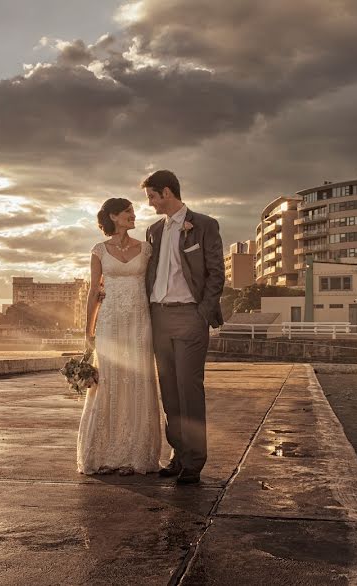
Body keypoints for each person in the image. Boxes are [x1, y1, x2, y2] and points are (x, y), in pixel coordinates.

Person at [142, 170, 224, 485]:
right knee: (170, 393)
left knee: (189, 390)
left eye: (151, 196)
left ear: (166, 192)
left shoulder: (204, 224)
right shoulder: (153, 231)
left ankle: (194, 461)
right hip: (158, 317)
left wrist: (202, 313)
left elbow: (216, 273)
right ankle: (178, 455)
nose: (149, 203)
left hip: (190, 316)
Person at [76, 198, 167, 475]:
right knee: (110, 382)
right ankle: (104, 454)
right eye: (128, 211)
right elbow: (94, 291)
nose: (133, 215)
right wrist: (88, 330)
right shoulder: (99, 251)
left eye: (132, 211)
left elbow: (155, 283)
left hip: (140, 321)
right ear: (113, 216)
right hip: (110, 322)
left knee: (139, 381)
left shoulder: (147, 248)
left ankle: (135, 455)